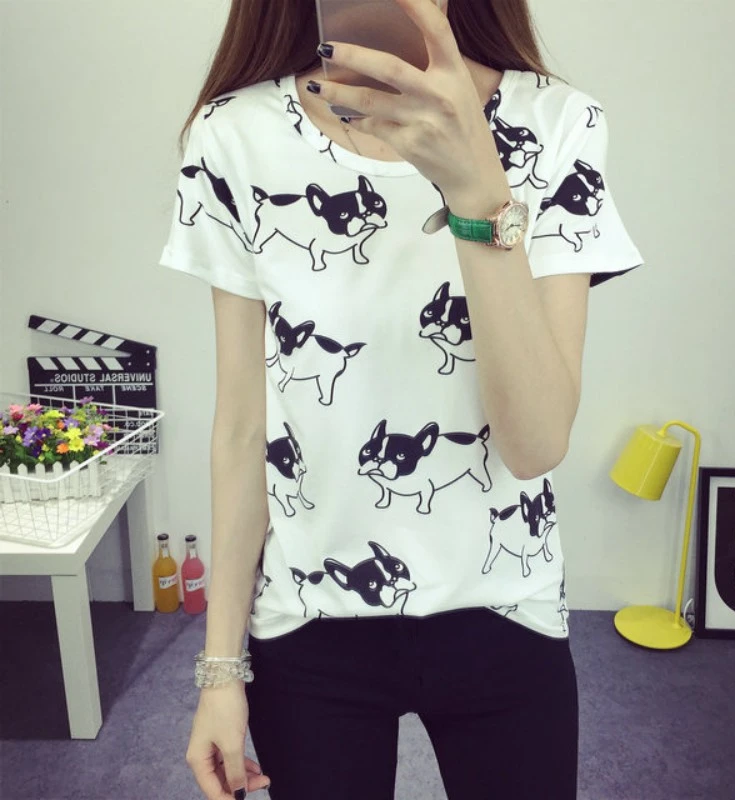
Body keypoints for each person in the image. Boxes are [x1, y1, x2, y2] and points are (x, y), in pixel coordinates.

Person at [158, 0, 644, 797]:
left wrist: (476, 186)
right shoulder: (234, 137)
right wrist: (219, 670)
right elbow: (244, 427)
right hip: (309, 619)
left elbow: (536, 444)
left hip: (506, 605)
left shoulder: (558, 124)